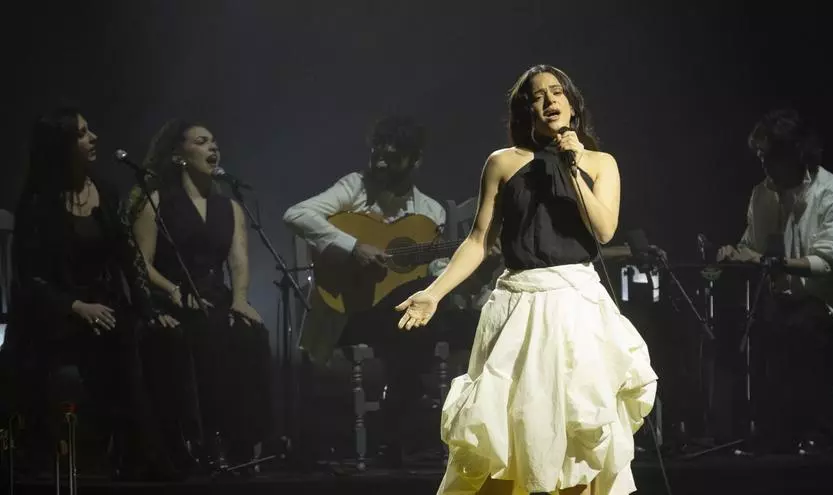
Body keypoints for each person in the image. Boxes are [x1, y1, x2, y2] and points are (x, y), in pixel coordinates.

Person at [394, 65, 657, 495]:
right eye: (538, 96)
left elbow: (605, 230)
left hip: (577, 305)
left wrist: (573, 166)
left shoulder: (599, 163)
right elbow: (479, 240)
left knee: (578, 432)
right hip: (520, 304)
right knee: (511, 430)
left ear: (572, 104)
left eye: (557, 92)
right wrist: (433, 293)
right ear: (526, 109)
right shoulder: (502, 162)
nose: (550, 100)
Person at [284, 115, 470, 465]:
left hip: (400, 317)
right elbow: (297, 214)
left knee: (423, 313)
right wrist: (353, 246)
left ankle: (402, 434)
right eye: (377, 152)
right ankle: (397, 430)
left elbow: (433, 270)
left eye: (393, 155)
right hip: (351, 311)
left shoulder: (430, 212)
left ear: (414, 161)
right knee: (423, 324)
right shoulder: (354, 187)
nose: (381, 161)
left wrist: (461, 268)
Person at [5, 106, 178, 480]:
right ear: (63, 145)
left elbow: (128, 255)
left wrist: (148, 308)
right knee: (117, 344)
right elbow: (29, 279)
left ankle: (153, 452)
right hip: (55, 313)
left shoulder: (104, 189)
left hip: (104, 305)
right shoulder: (39, 204)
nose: (94, 137)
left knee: (152, 336)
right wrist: (75, 306)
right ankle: (131, 457)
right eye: (83, 133)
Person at [716, 108, 833, 454]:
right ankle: (771, 431)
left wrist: (765, 260)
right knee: (753, 330)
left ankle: (819, 433)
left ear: (796, 154)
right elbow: (752, 245)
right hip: (783, 299)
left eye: (771, 157)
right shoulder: (763, 194)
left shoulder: (832, 194)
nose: (765, 166)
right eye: (761, 157)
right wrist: (734, 253)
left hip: (828, 300)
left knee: (803, 328)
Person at [130, 119, 273, 469]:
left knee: (253, 332)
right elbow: (140, 262)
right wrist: (173, 289)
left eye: (214, 141)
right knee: (208, 332)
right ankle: (205, 437)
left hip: (216, 294)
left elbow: (239, 262)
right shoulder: (158, 201)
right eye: (201, 141)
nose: (213, 147)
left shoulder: (231, 208)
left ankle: (247, 440)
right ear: (179, 154)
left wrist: (240, 299)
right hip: (172, 294)